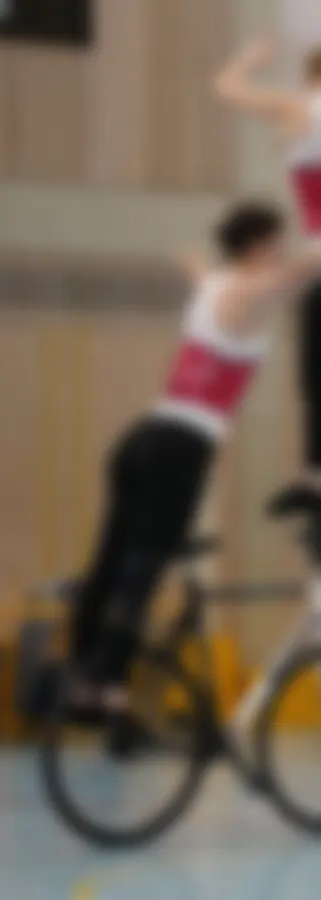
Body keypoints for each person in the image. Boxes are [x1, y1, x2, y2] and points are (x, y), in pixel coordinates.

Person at [68, 202, 320, 719]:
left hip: (142, 439)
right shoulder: (247, 291)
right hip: (180, 447)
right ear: (256, 247)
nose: (281, 255)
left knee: (112, 558)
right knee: (144, 565)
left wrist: (194, 261)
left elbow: (199, 265)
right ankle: (105, 683)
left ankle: (82, 665)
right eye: (275, 245)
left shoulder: (215, 285)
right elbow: (299, 271)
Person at [215, 39, 321, 491]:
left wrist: (248, 59)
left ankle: (314, 475)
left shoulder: (301, 106)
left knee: (314, 385)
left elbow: (226, 87)